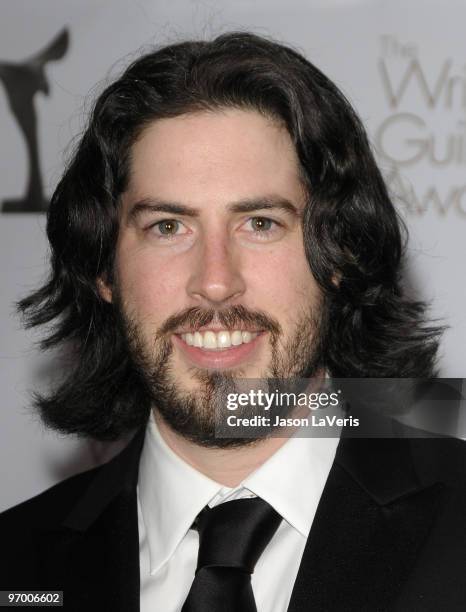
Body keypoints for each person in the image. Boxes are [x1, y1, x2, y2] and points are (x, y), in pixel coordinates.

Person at [0, 32, 465, 612]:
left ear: (339, 256)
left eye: (261, 224)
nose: (215, 281)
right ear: (104, 271)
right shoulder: (15, 566)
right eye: (169, 227)